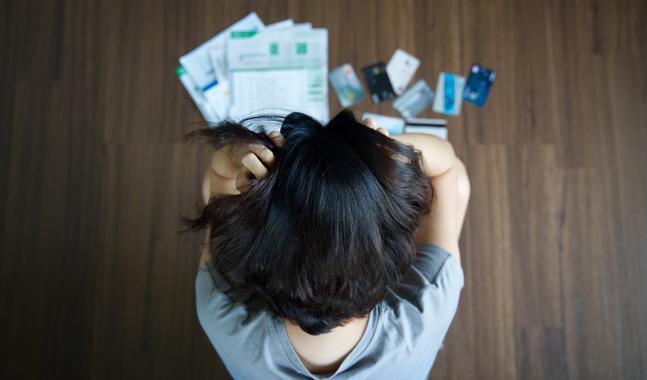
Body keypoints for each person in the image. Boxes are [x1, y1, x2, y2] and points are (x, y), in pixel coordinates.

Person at [187, 110, 470, 379]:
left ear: (253, 253)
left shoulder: (219, 310)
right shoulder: (428, 307)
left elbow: (216, 183)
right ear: (392, 260)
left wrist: (234, 157)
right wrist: (394, 153)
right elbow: (450, 173)